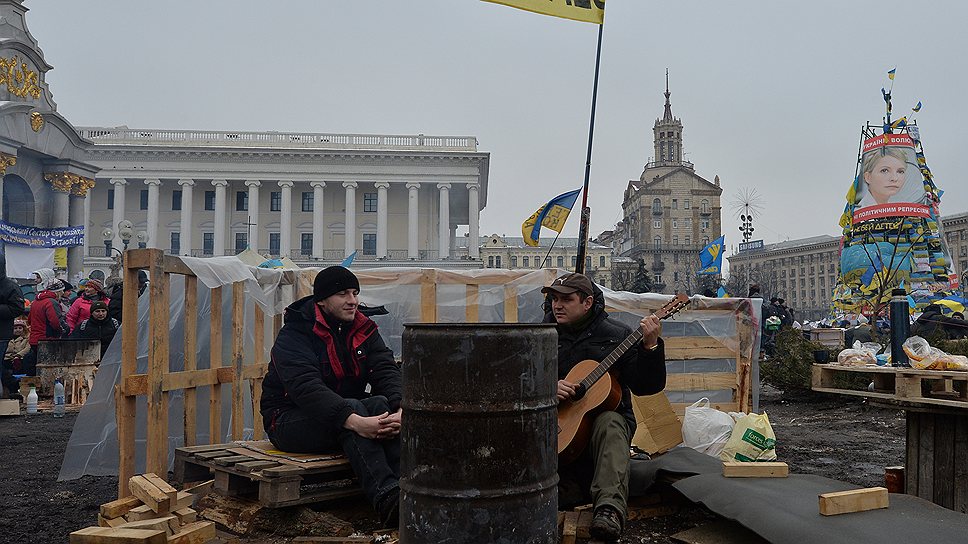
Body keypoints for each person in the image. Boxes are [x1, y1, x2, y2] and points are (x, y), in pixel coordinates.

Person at [260, 266, 402, 527]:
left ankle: (411, 488)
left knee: (381, 404)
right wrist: (355, 420)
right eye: (343, 294)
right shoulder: (295, 335)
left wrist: (401, 408)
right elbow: (305, 388)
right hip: (287, 421)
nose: (353, 301)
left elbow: (385, 369)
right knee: (354, 408)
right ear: (322, 300)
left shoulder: (363, 328)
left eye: (355, 292)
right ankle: (389, 500)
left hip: (343, 414)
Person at [544, 272, 665, 542]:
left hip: (604, 428)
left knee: (610, 421)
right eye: (554, 299)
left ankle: (609, 510)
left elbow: (647, 386)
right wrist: (547, 388)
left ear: (587, 303)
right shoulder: (542, 335)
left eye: (566, 299)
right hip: (561, 427)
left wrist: (650, 346)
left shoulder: (618, 335)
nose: (557, 305)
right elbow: (519, 379)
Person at [26, 275, 68, 376]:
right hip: (47, 339)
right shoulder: (51, 302)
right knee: (47, 368)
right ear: (57, 291)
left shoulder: (36, 301)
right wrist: (64, 330)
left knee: (37, 367)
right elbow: (55, 322)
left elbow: (29, 321)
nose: (63, 293)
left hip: (34, 339)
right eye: (62, 291)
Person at [0, 253, 25, 397]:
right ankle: (11, 385)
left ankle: (9, 387)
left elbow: (17, 308)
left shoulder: (10, 286)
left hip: (1, 334)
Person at [3, 318, 30, 398]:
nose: (18, 330)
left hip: (20, 359)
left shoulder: (26, 339)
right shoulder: (8, 339)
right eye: (15, 328)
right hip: (7, 360)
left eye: (20, 328)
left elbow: (27, 349)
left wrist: (18, 355)